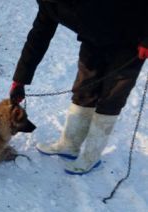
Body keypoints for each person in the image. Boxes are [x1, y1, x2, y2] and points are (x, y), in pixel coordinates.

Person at [9, 0, 147, 175]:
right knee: (83, 90)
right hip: (94, 39)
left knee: (112, 96)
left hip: (131, 39)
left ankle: (91, 156)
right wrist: (19, 80)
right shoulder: (48, 4)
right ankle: (69, 145)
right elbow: (38, 36)